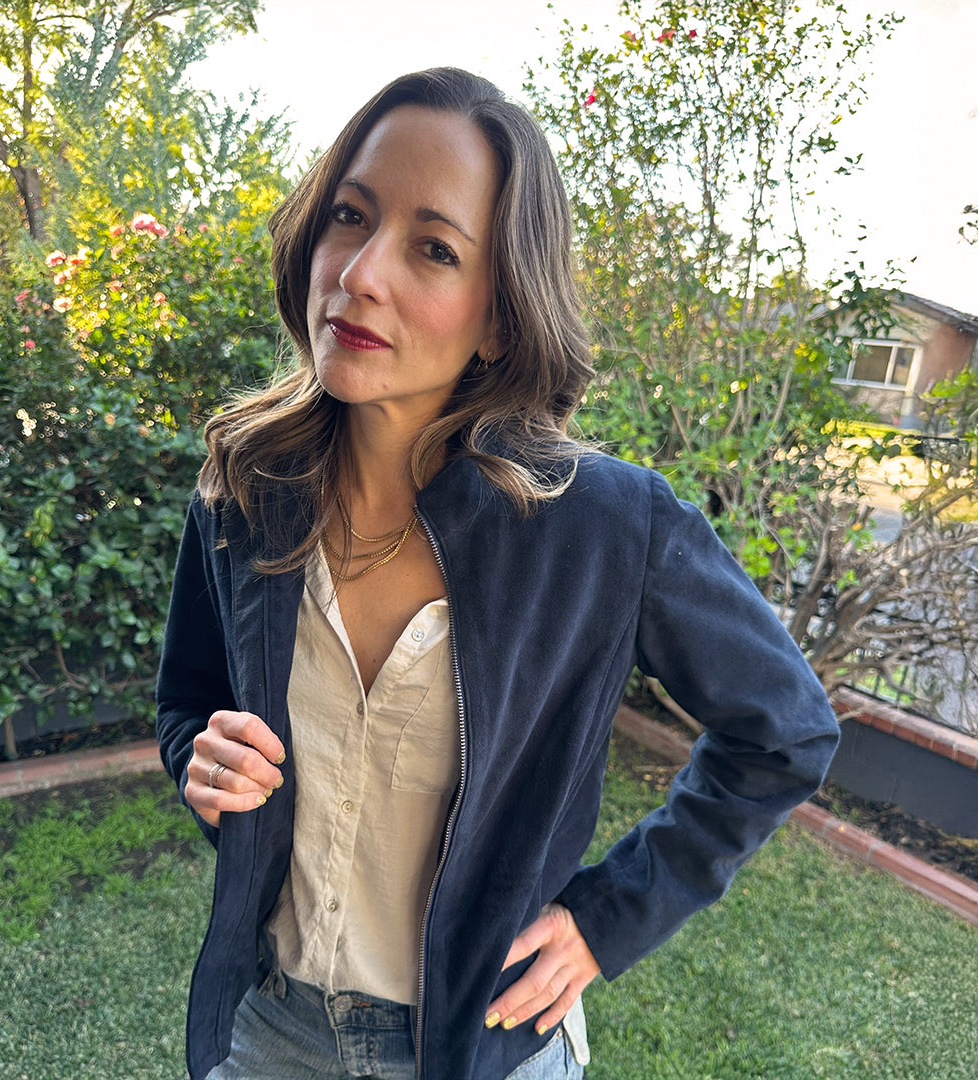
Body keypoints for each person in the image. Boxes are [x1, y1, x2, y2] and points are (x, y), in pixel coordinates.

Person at [156, 67, 839, 1080]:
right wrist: (201, 763)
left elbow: (785, 734)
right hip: (270, 1030)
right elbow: (189, 701)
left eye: (434, 248)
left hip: (484, 1049)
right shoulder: (246, 490)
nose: (361, 273)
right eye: (351, 216)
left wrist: (611, 917)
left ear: (501, 317)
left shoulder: (605, 526)